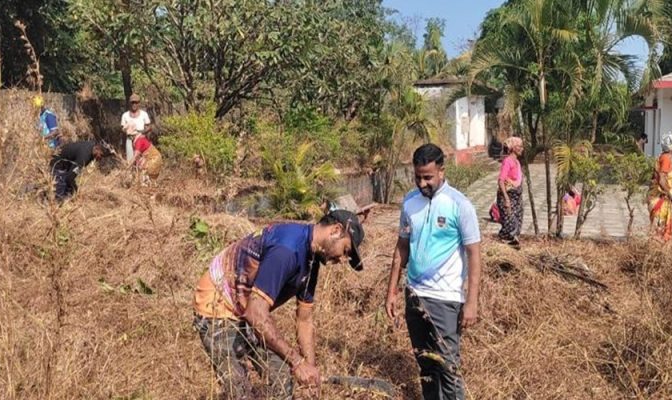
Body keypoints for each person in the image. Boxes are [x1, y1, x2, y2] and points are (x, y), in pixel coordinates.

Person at [193, 210, 365, 400]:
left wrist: (309, 370)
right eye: (345, 250)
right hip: (218, 306)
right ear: (335, 230)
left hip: (247, 307)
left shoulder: (312, 259)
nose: (342, 259)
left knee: (282, 379)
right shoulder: (288, 250)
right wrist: (297, 362)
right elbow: (256, 313)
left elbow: (304, 320)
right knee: (239, 391)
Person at [385, 144, 482, 400]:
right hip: (415, 294)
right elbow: (402, 248)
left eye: (428, 177)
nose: (422, 183)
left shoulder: (459, 205)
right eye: (417, 177)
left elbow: (474, 254)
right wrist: (392, 290)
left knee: (448, 367)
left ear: (442, 171)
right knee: (425, 363)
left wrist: (471, 302)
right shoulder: (409, 203)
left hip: (446, 299)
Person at [648, 131, 672, 242]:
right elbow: (661, 180)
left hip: (657, 197)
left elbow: (653, 178)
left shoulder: (661, 157)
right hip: (660, 199)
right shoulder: (666, 158)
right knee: (660, 234)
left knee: (659, 232)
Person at [496, 136, 524, 246]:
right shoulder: (508, 162)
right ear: (513, 148)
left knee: (518, 221)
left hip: (516, 199)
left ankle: (512, 244)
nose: (522, 149)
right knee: (510, 222)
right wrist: (507, 199)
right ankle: (503, 240)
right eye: (520, 146)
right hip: (507, 198)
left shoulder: (517, 162)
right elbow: (501, 181)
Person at [121, 94, 152, 163]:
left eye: (136, 102)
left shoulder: (144, 114)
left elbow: (149, 127)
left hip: (141, 139)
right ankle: (132, 173)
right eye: (132, 102)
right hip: (129, 139)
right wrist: (127, 130)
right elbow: (122, 129)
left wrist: (142, 133)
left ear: (139, 103)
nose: (134, 104)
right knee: (130, 160)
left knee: (142, 161)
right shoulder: (125, 115)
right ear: (129, 103)